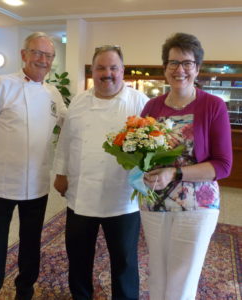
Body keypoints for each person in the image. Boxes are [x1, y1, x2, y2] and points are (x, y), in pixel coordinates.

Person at [0, 32, 66, 300]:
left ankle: (25, 291)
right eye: (37, 53)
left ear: (52, 60)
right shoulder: (2, 84)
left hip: (37, 186)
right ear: (24, 55)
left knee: (31, 245)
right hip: (1, 184)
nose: (42, 60)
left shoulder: (53, 94)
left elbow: (72, 125)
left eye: (48, 55)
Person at [140, 32, 232, 300]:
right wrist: (142, 171)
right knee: (156, 273)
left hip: (197, 206)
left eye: (187, 63)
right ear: (165, 69)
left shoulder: (213, 106)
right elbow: (142, 154)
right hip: (154, 205)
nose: (180, 69)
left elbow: (223, 165)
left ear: (197, 68)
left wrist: (175, 172)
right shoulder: (151, 107)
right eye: (173, 63)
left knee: (183, 277)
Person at [53, 45, 149, 300]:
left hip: (121, 198)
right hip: (81, 195)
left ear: (123, 71)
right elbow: (66, 139)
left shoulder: (139, 102)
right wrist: (61, 172)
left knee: (125, 261)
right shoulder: (79, 100)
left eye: (113, 68)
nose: (107, 73)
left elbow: (152, 147)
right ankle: (81, 296)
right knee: (79, 256)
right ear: (93, 71)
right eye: (101, 68)